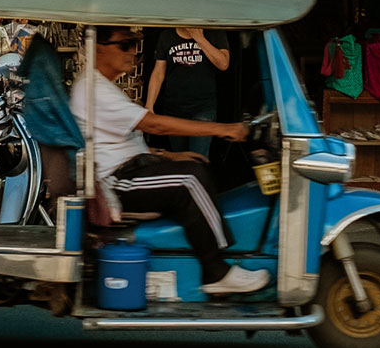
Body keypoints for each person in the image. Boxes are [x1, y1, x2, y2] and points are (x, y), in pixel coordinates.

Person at [80, 26, 268, 297]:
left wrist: (169, 155)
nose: (133, 52)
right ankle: (216, 270)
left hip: (137, 165)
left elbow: (128, 142)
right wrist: (223, 129)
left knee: (196, 166)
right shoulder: (94, 90)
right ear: (99, 49)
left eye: (134, 44)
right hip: (117, 184)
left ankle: (210, 251)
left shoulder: (104, 87)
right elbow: (154, 125)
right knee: (189, 178)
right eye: (126, 45)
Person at [144, 26, 232, 161]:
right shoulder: (167, 35)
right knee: (179, 159)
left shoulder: (214, 32)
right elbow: (158, 72)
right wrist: (149, 105)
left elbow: (223, 64)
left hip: (202, 109)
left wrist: (198, 37)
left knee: (198, 159)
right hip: (174, 109)